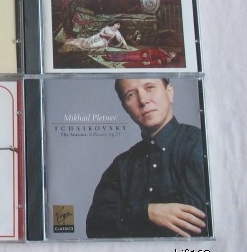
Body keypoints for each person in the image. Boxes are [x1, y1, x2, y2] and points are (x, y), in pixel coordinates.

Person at [86, 78, 209, 238]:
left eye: (150, 87)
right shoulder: (120, 166)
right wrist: (148, 213)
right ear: (125, 107)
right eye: (131, 95)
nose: (143, 100)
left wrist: (130, 218)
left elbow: (199, 222)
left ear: (170, 92)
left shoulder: (200, 143)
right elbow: (95, 226)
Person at [65, 21, 129, 50]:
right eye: (117, 24)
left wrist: (126, 47)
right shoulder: (107, 27)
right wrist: (108, 35)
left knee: (88, 46)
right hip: (97, 36)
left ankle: (81, 45)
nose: (118, 26)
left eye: (119, 26)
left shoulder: (117, 32)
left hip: (104, 42)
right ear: (114, 24)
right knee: (86, 40)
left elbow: (121, 39)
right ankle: (72, 42)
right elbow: (101, 33)